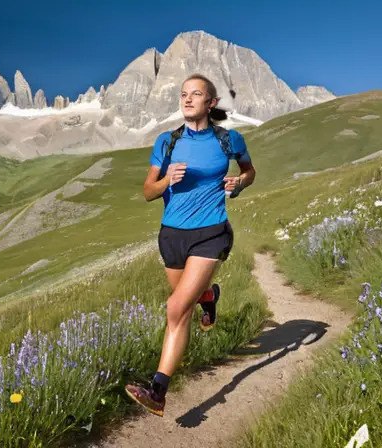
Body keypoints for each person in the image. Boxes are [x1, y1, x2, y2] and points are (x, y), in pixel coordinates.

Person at [124, 73, 256, 416]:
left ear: (211, 103)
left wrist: (239, 183)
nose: (187, 99)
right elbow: (148, 192)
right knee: (188, 301)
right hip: (172, 236)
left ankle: (157, 391)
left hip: (211, 232)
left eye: (195, 94)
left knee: (176, 308)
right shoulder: (167, 142)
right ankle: (209, 298)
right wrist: (168, 179)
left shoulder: (229, 140)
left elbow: (249, 171)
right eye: (183, 94)